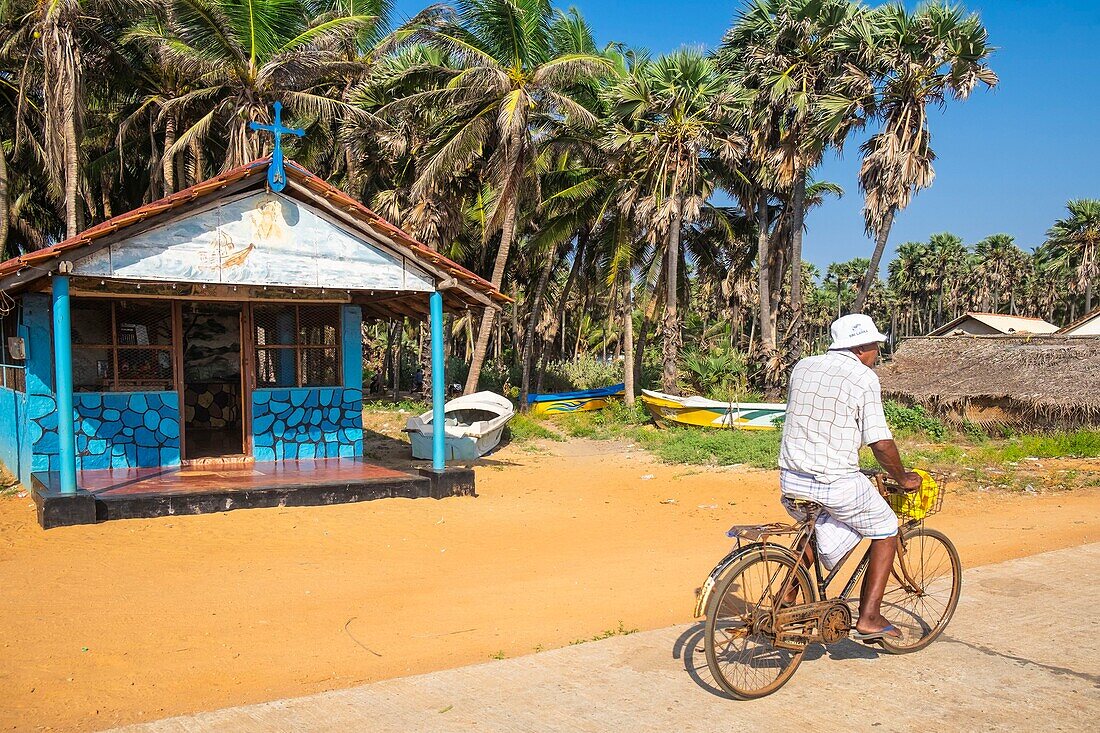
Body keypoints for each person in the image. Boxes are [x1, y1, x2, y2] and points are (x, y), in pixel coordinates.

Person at [779, 313, 922, 641]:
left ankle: (785, 599)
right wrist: (902, 478)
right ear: (860, 347)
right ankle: (870, 616)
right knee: (886, 527)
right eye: (874, 346)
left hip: (791, 479)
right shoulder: (863, 377)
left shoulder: (803, 367)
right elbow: (881, 443)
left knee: (818, 530)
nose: (876, 354)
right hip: (833, 481)